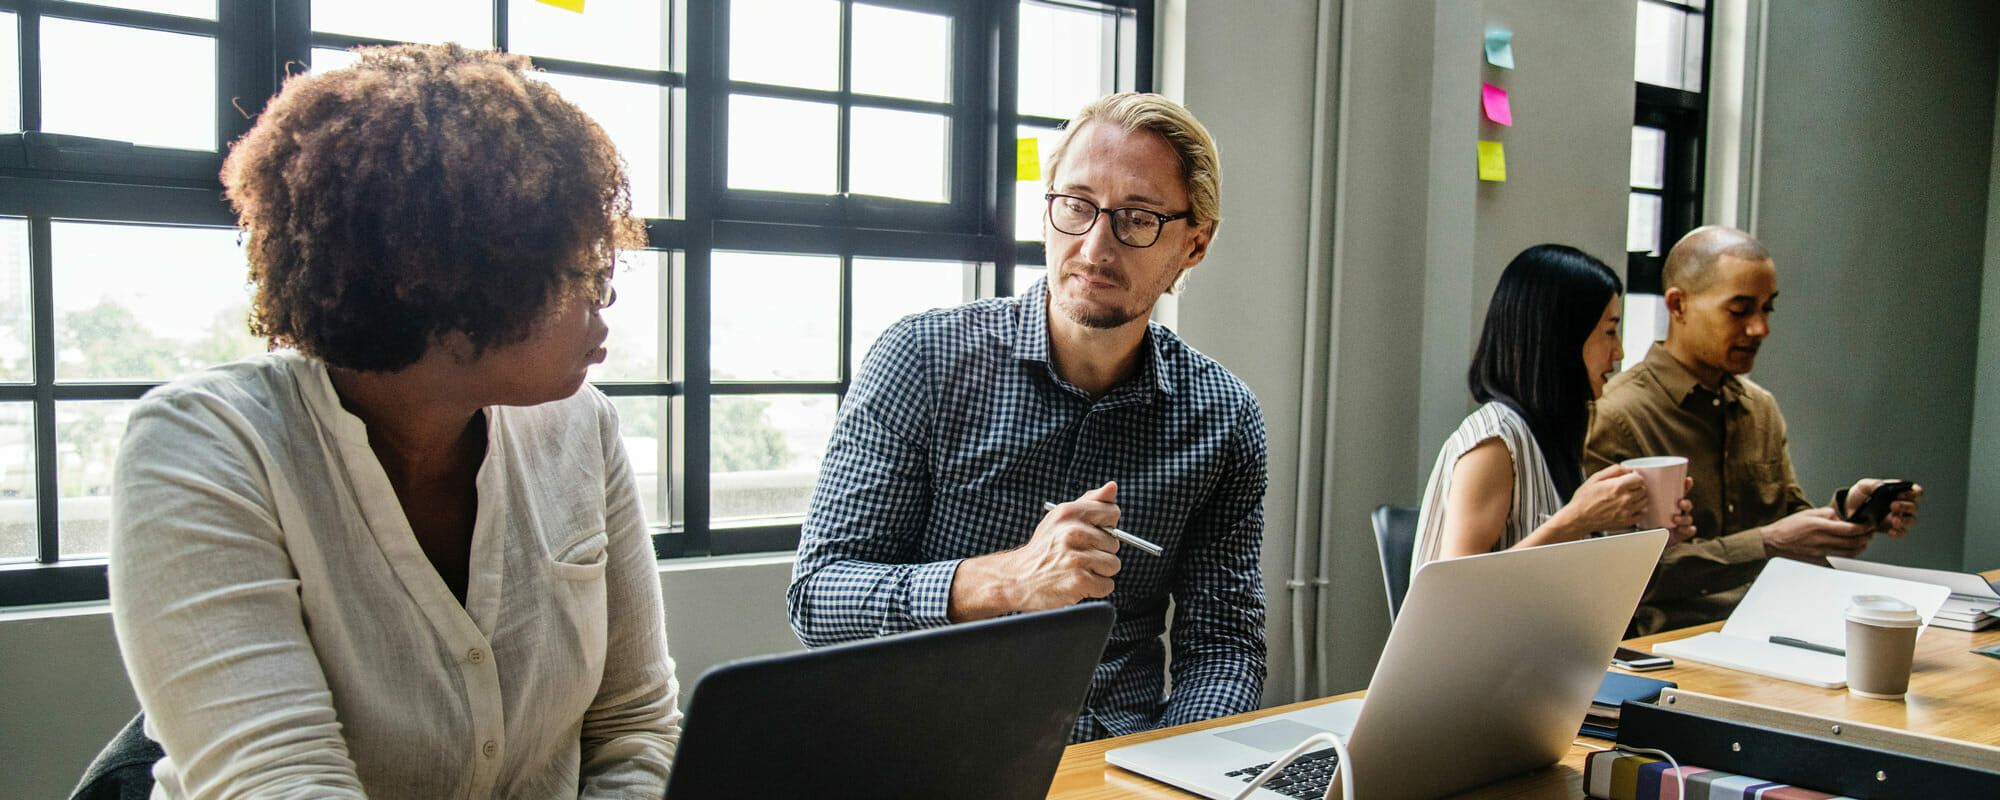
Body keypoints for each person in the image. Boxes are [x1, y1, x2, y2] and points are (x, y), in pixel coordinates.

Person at [108, 44, 680, 798]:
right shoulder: (204, 446)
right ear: (458, 284)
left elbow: (635, 726)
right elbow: (282, 782)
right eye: (579, 273)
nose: (602, 304)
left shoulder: (582, 427)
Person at [787, 92, 1266, 743]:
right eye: (1075, 206)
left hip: (1115, 763)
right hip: (931, 755)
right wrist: (1008, 579)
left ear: (1194, 243)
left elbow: (1224, 648)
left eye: (1138, 218)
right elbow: (819, 597)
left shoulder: (1225, 419)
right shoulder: (923, 361)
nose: (1096, 246)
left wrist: (1174, 771)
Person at [1585, 225, 1922, 636]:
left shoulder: (1759, 407)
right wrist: (1768, 543)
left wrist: (1845, 513)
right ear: (1678, 305)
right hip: (1670, 648)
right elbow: (1622, 577)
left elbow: (1788, 521)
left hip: (1776, 628)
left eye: (1767, 309)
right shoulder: (1615, 415)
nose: (1760, 328)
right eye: (1740, 310)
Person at [1410, 245, 1695, 569]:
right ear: (1562, 339)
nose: (1619, 352)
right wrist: (1576, 520)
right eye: (1610, 331)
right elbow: (1454, 589)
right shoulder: (1494, 444)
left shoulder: (1555, 431)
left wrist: (1650, 535)